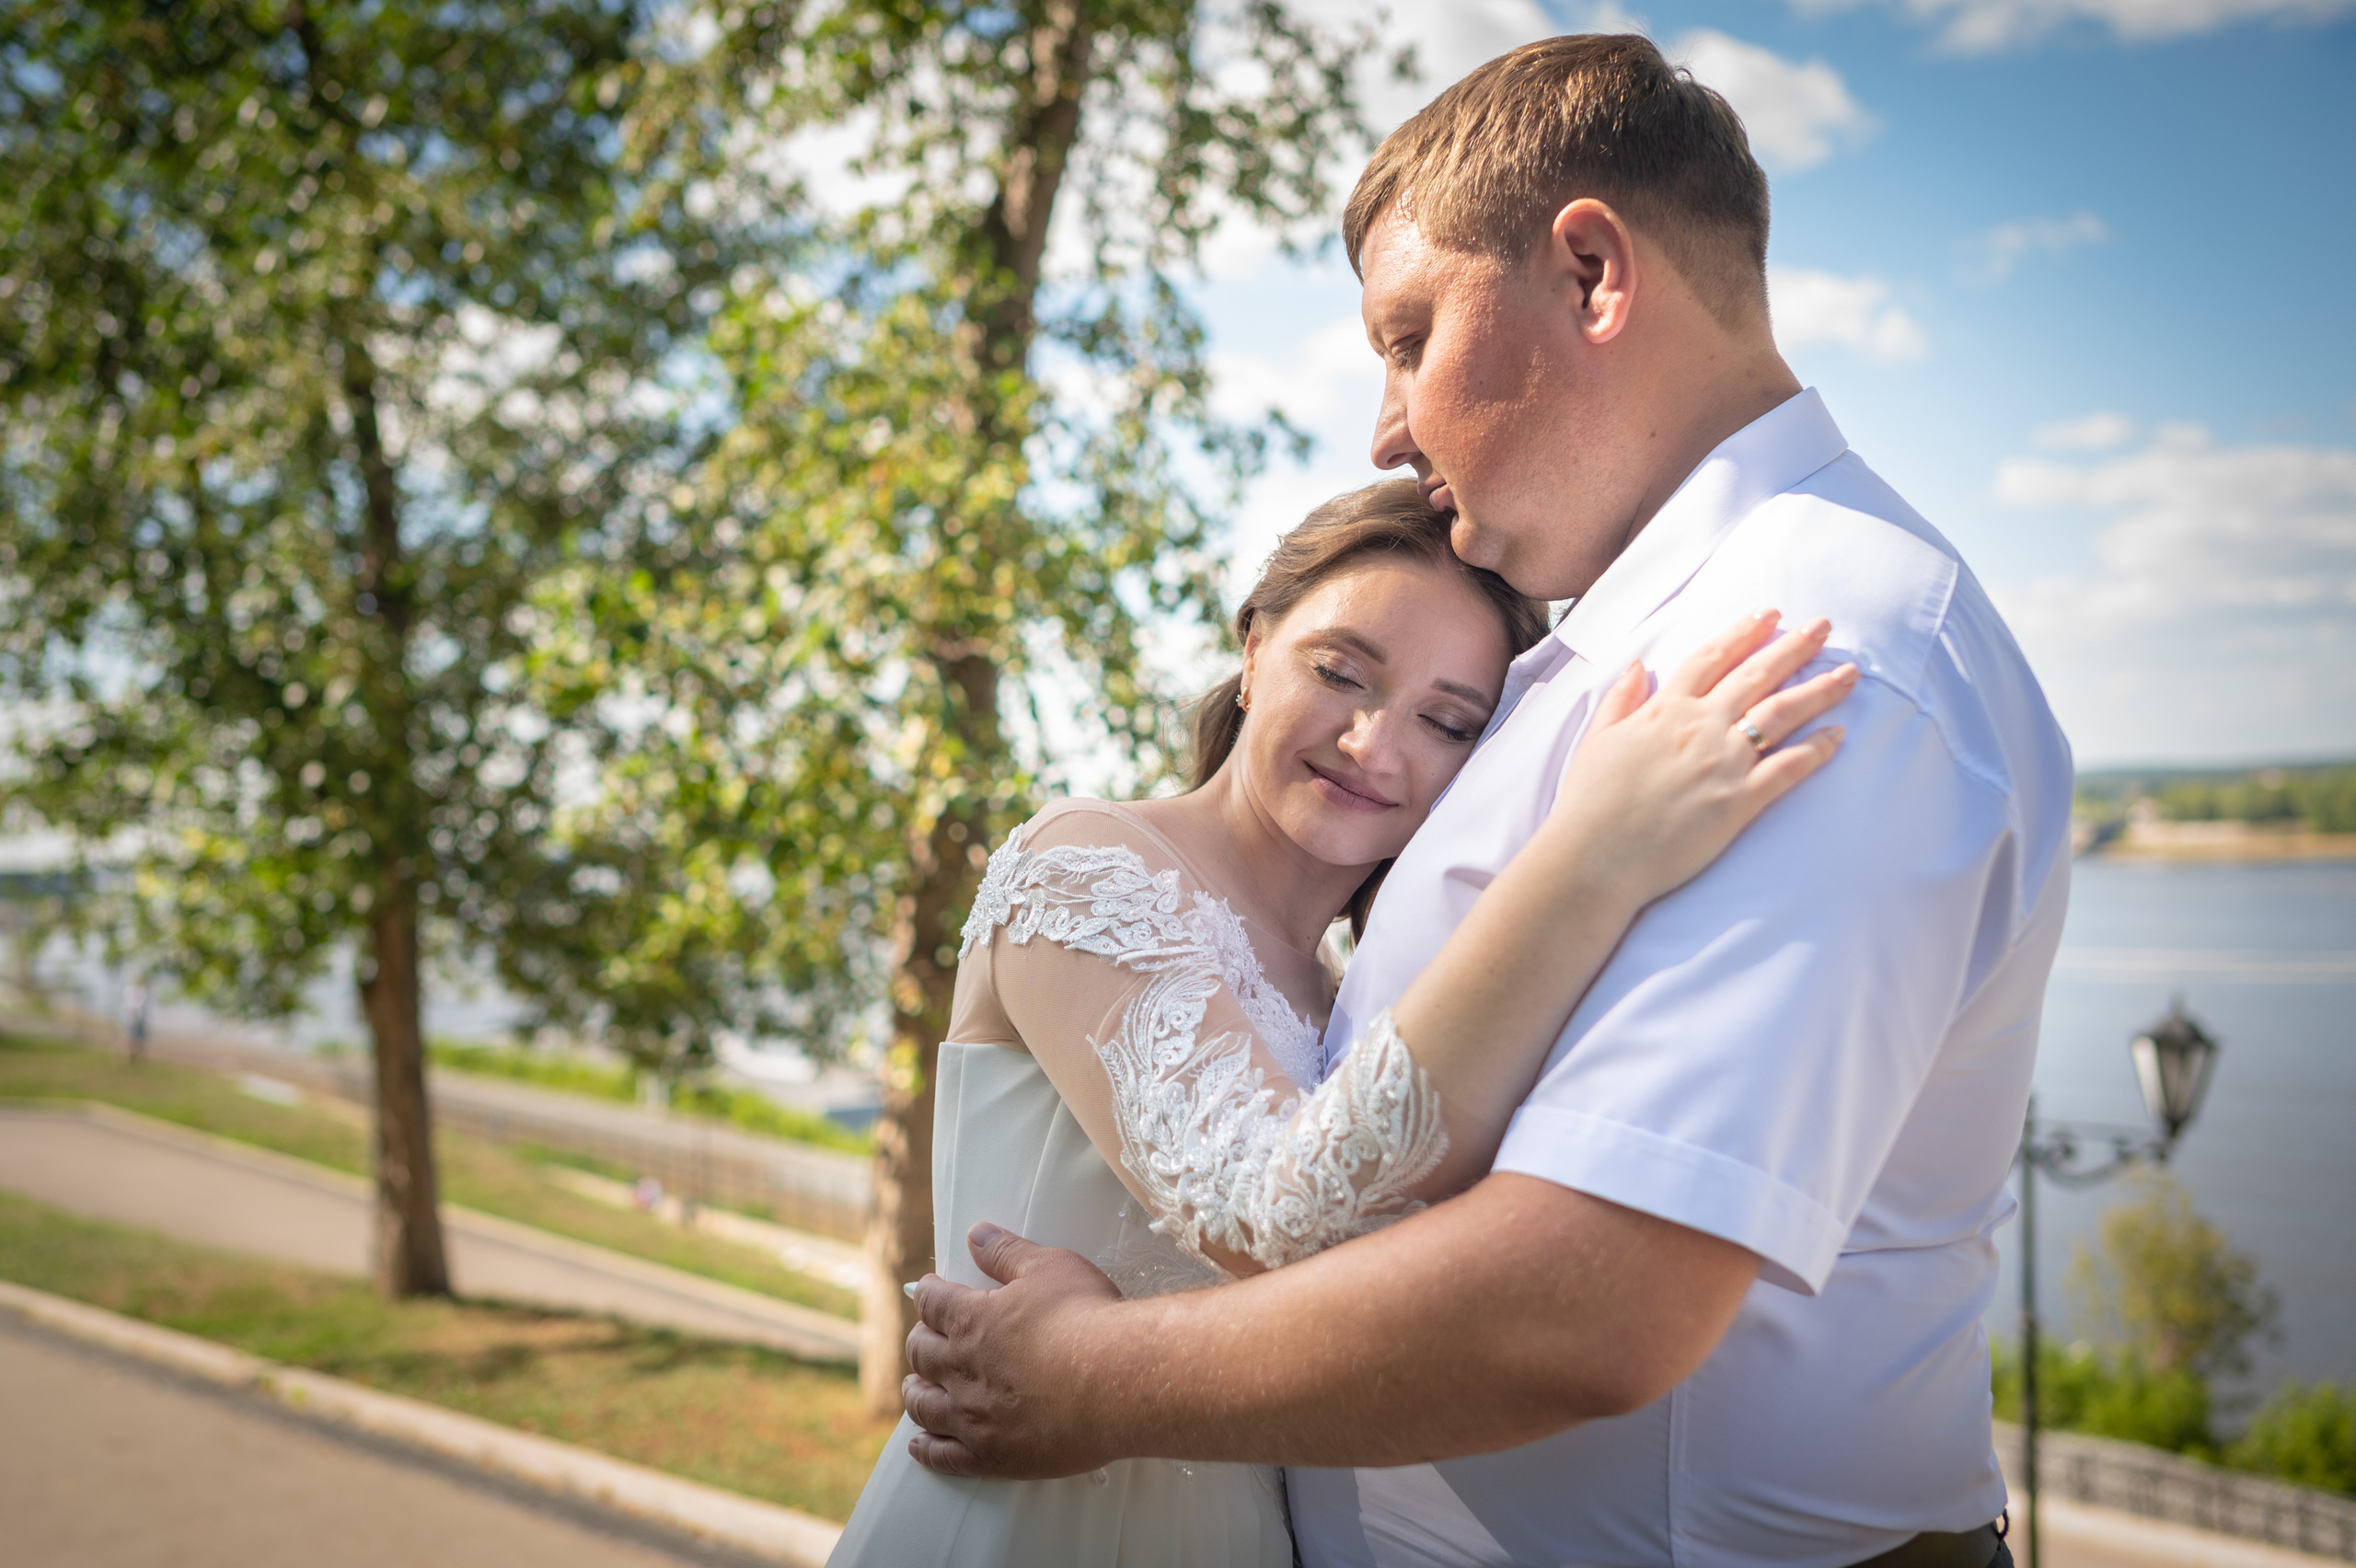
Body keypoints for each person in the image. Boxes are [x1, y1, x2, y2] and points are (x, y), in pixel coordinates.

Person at [901, 33, 2073, 1568]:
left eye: (1408, 332)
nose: (1387, 426)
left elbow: (1590, 1300)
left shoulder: (1810, 652)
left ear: (1592, 271)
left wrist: (1083, 1377)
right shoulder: (1634, 643)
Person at [827, 479, 1856, 1566]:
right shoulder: (1085, 867)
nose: (1373, 743)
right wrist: (1594, 856)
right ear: (1255, 640)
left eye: (1446, 721)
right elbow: (1275, 1224)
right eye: (1339, 672)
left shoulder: (1345, 993)